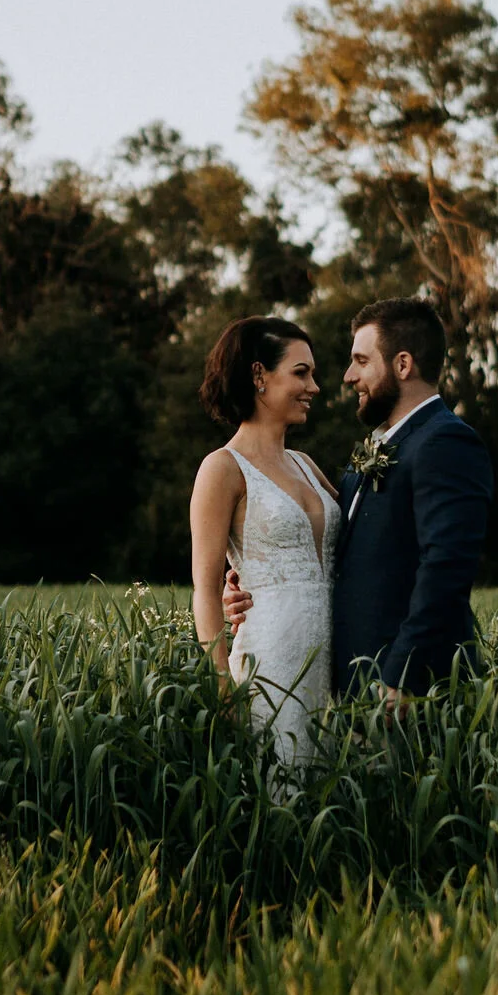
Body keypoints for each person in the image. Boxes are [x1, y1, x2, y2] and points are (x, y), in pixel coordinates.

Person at [224, 298, 494, 714]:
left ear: (403, 365)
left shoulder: (445, 441)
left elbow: (447, 568)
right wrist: (251, 583)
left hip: (408, 692)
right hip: (353, 689)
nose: (349, 376)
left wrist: (403, 674)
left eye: (361, 361)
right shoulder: (384, 447)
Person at [189, 316, 339, 766]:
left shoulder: (307, 464)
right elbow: (205, 589)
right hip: (270, 663)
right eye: (301, 372)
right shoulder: (221, 468)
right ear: (258, 376)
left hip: (334, 665)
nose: (314, 385)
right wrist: (223, 693)